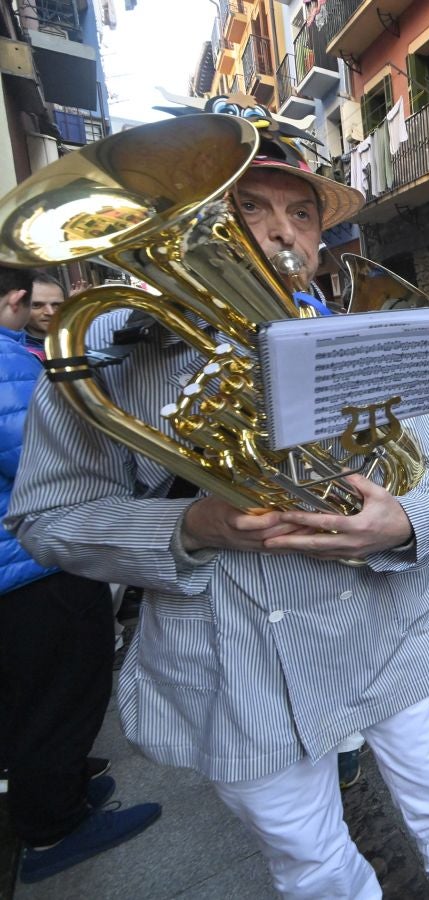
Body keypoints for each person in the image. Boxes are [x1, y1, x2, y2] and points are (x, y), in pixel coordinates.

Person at [5, 131, 429, 898]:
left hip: (393, 633)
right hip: (239, 665)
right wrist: (186, 527)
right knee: (310, 864)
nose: (282, 231)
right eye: (249, 206)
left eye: (302, 214)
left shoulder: (360, 327)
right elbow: (45, 519)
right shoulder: (111, 344)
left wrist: (404, 523)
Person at [0, 265, 161, 884]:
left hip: (22, 567)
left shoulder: (19, 357)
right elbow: (44, 465)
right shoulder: (15, 363)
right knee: (60, 695)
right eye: (40, 303)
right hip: (32, 569)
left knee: (37, 697)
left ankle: (55, 793)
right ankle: (53, 827)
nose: (49, 314)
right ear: (16, 298)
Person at [22, 273, 64, 359]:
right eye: (37, 305)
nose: (50, 312)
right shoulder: (14, 352)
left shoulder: (78, 341)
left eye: (56, 305)